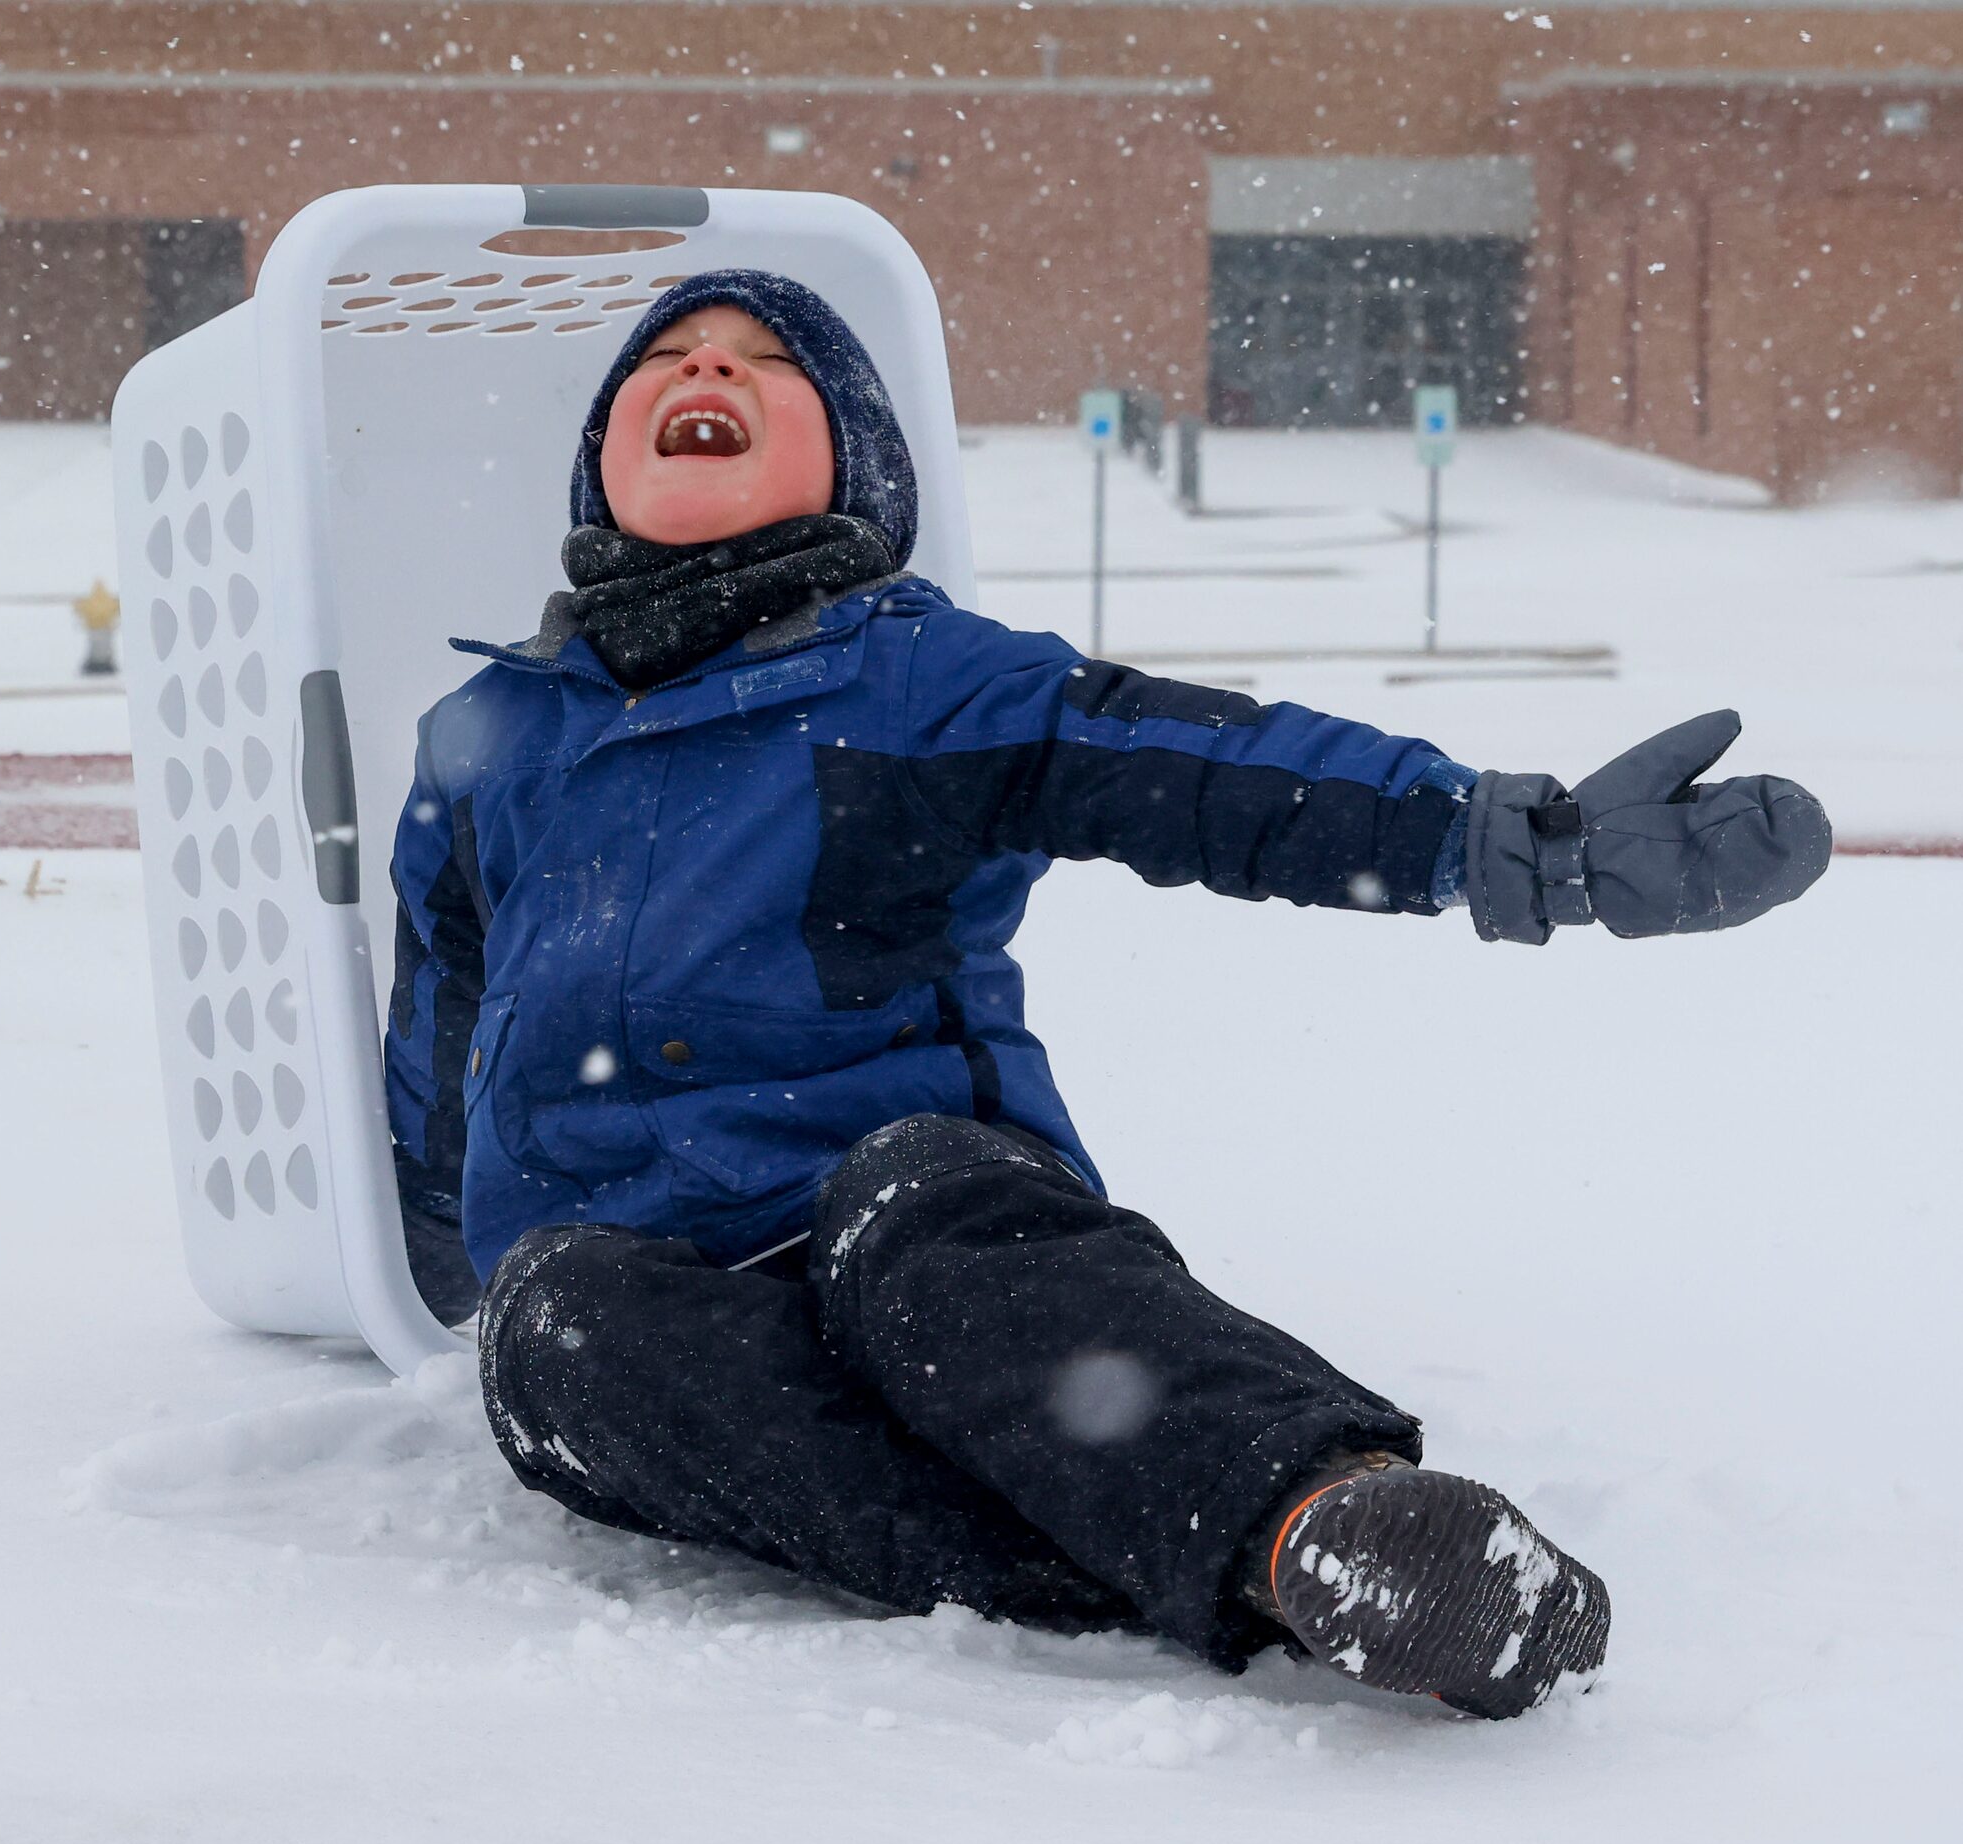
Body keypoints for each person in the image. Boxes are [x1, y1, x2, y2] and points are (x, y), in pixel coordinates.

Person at [383, 270, 1830, 1719]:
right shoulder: (488, 734)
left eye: (769, 361)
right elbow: (445, 1003)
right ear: (604, 453)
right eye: (671, 356)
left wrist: (1507, 841)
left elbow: (1211, 770)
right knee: (555, 1327)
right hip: (642, 1271)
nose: (710, 369)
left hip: (900, 1214)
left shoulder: (913, 681)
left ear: (853, 470)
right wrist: (428, 1231)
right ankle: (1214, 1556)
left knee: (923, 1204)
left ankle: (1318, 1516)